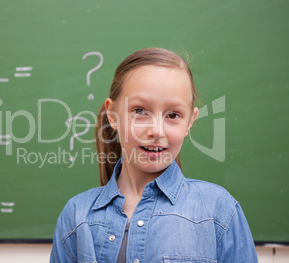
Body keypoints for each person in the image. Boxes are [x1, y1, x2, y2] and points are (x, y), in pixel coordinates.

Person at [50, 48, 258, 262]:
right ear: (113, 115)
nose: (156, 130)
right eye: (139, 111)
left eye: (173, 115)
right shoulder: (77, 215)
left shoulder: (219, 210)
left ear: (190, 121)